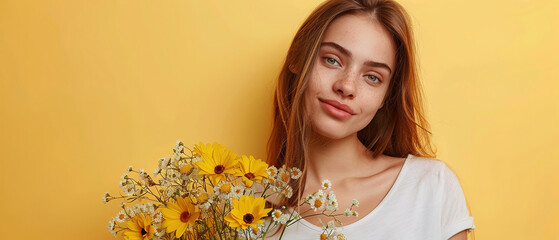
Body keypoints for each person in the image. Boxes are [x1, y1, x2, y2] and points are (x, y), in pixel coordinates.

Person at [266, 0, 475, 239]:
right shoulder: (246, 210)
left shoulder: (430, 188)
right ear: (297, 59)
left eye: (373, 77)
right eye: (332, 60)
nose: (346, 86)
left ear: (386, 97)